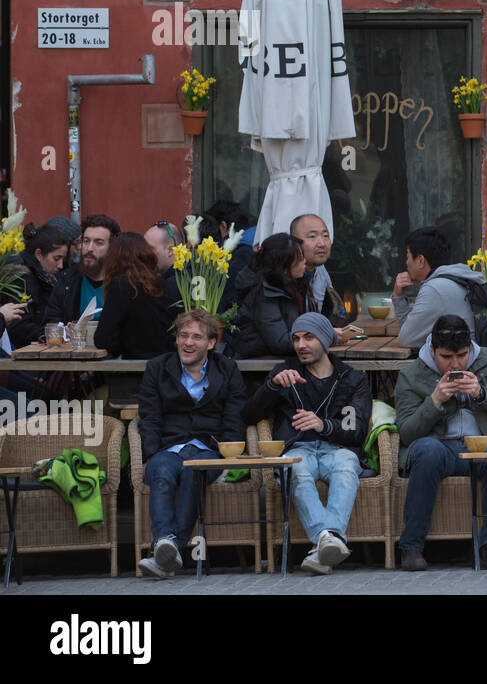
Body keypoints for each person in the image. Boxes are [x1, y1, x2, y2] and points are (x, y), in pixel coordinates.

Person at [241, 312, 371, 575]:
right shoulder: (285, 373)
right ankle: (329, 538)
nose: (301, 345)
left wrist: (324, 425)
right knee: (296, 471)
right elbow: (249, 416)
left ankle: (323, 543)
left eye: (309, 338)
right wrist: (272, 386)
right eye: (297, 338)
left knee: (346, 466)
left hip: (338, 450)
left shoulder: (352, 379)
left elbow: (355, 431)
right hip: (298, 450)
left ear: (324, 340)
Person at [395, 314, 487, 571]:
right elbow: (407, 432)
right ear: (432, 349)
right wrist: (435, 401)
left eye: (462, 355)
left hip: (479, 444)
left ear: (470, 347)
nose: (455, 364)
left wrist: (481, 393)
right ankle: (412, 547)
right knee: (428, 453)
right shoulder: (411, 374)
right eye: (446, 357)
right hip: (437, 445)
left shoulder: (486, 359)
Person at [136, 309, 246, 578]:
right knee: (161, 471)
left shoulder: (227, 369)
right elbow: (149, 416)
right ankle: (168, 545)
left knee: (193, 470)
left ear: (211, 342)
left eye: (196, 337)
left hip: (208, 449)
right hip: (167, 448)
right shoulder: (158, 368)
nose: (188, 343)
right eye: (183, 335)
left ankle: (166, 548)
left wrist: (229, 458)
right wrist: (151, 454)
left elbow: (235, 416)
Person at [393, 225, 487, 350]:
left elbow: (407, 339)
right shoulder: (459, 276)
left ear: (421, 260)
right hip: (477, 355)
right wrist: (399, 296)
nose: (406, 262)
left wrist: (397, 297)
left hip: (463, 362)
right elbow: (412, 330)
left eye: (407, 256)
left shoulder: (434, 288)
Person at [96, 232, 184, 359]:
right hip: (168, 368)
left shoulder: (121, 286)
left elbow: (103, 340)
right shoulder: (168, 285)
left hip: (135, 371)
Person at [232, 233, 311, 359]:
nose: (305, 262)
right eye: (300, 259)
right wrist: (318, 337)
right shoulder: (263, 294)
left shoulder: (292, 286)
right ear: (284, 268)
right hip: (258, 368)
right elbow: (280, 342)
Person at [44, 213, 120, 325]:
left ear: (111, 248)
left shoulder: (123, 282)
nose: (89, 248)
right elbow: (50, 322)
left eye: (98, 243)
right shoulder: (67, 280)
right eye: (86, 241)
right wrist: (63, 331)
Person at [9, 222, 70, 349]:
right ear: (38, 254)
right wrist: (50, 333)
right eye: (56, 258)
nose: (60, 265)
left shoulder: (46, 276)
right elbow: (18, 325)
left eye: (62, 259)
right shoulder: (21, 277)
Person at [289, 214, 347, 325]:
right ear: (294, 242)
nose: (322, 244)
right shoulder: (284, 276)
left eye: (325, 236)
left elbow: (336, 313)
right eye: (312, 236)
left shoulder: (321, 270)